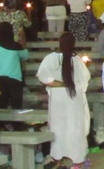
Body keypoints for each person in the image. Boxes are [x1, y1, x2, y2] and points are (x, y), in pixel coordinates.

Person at [36, 32, 91, 169]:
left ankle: (58, 160)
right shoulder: (76, 60)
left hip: (57, 99)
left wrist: (59, 84)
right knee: (75, 128)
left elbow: (43, 77)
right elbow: (85, 79)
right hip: (74, 98)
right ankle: (77, 161)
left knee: (58, 128)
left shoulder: (50, 58)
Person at [0, 22, 28, 110]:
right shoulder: (16, 46)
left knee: (1, 105)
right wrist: (23, 41)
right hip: (15, 79)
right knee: (16, 106)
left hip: (0, 79)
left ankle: (1, 119)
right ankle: (16, 119)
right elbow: (25, 56)